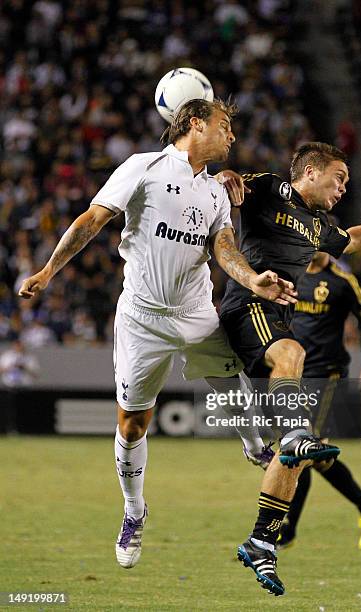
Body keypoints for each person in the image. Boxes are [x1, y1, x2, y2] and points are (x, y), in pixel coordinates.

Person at [18, 98, 299, 571]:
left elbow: (224, 247)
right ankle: (134, 510)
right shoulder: (142, 167)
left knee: (232, 384)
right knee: (132, 423)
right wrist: (48, 270)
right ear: (194, 124)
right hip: (142, 319)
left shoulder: (214, 192)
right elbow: (92, 220)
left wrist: (252, 280)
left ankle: (254, 444)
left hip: (194, 312)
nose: (232, 136)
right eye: (224, 126)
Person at [219, 141, 361, 596]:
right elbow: (221, 186)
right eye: (339, 178)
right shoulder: (270, 189)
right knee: (293, 357)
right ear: (310, 173)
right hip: (248, 303)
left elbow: (354, 238)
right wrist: (223, 177)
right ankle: (295, 436)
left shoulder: (319, 227)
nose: (343, 187)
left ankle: (261, 541)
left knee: (292, 458)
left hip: (274, 321)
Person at [276, 250, 361, 551]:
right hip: (295, 373)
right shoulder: (293, 272)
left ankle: (288, 530)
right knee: (307, 454)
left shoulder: (342, 281)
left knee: (301, 448)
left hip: (327, 374)